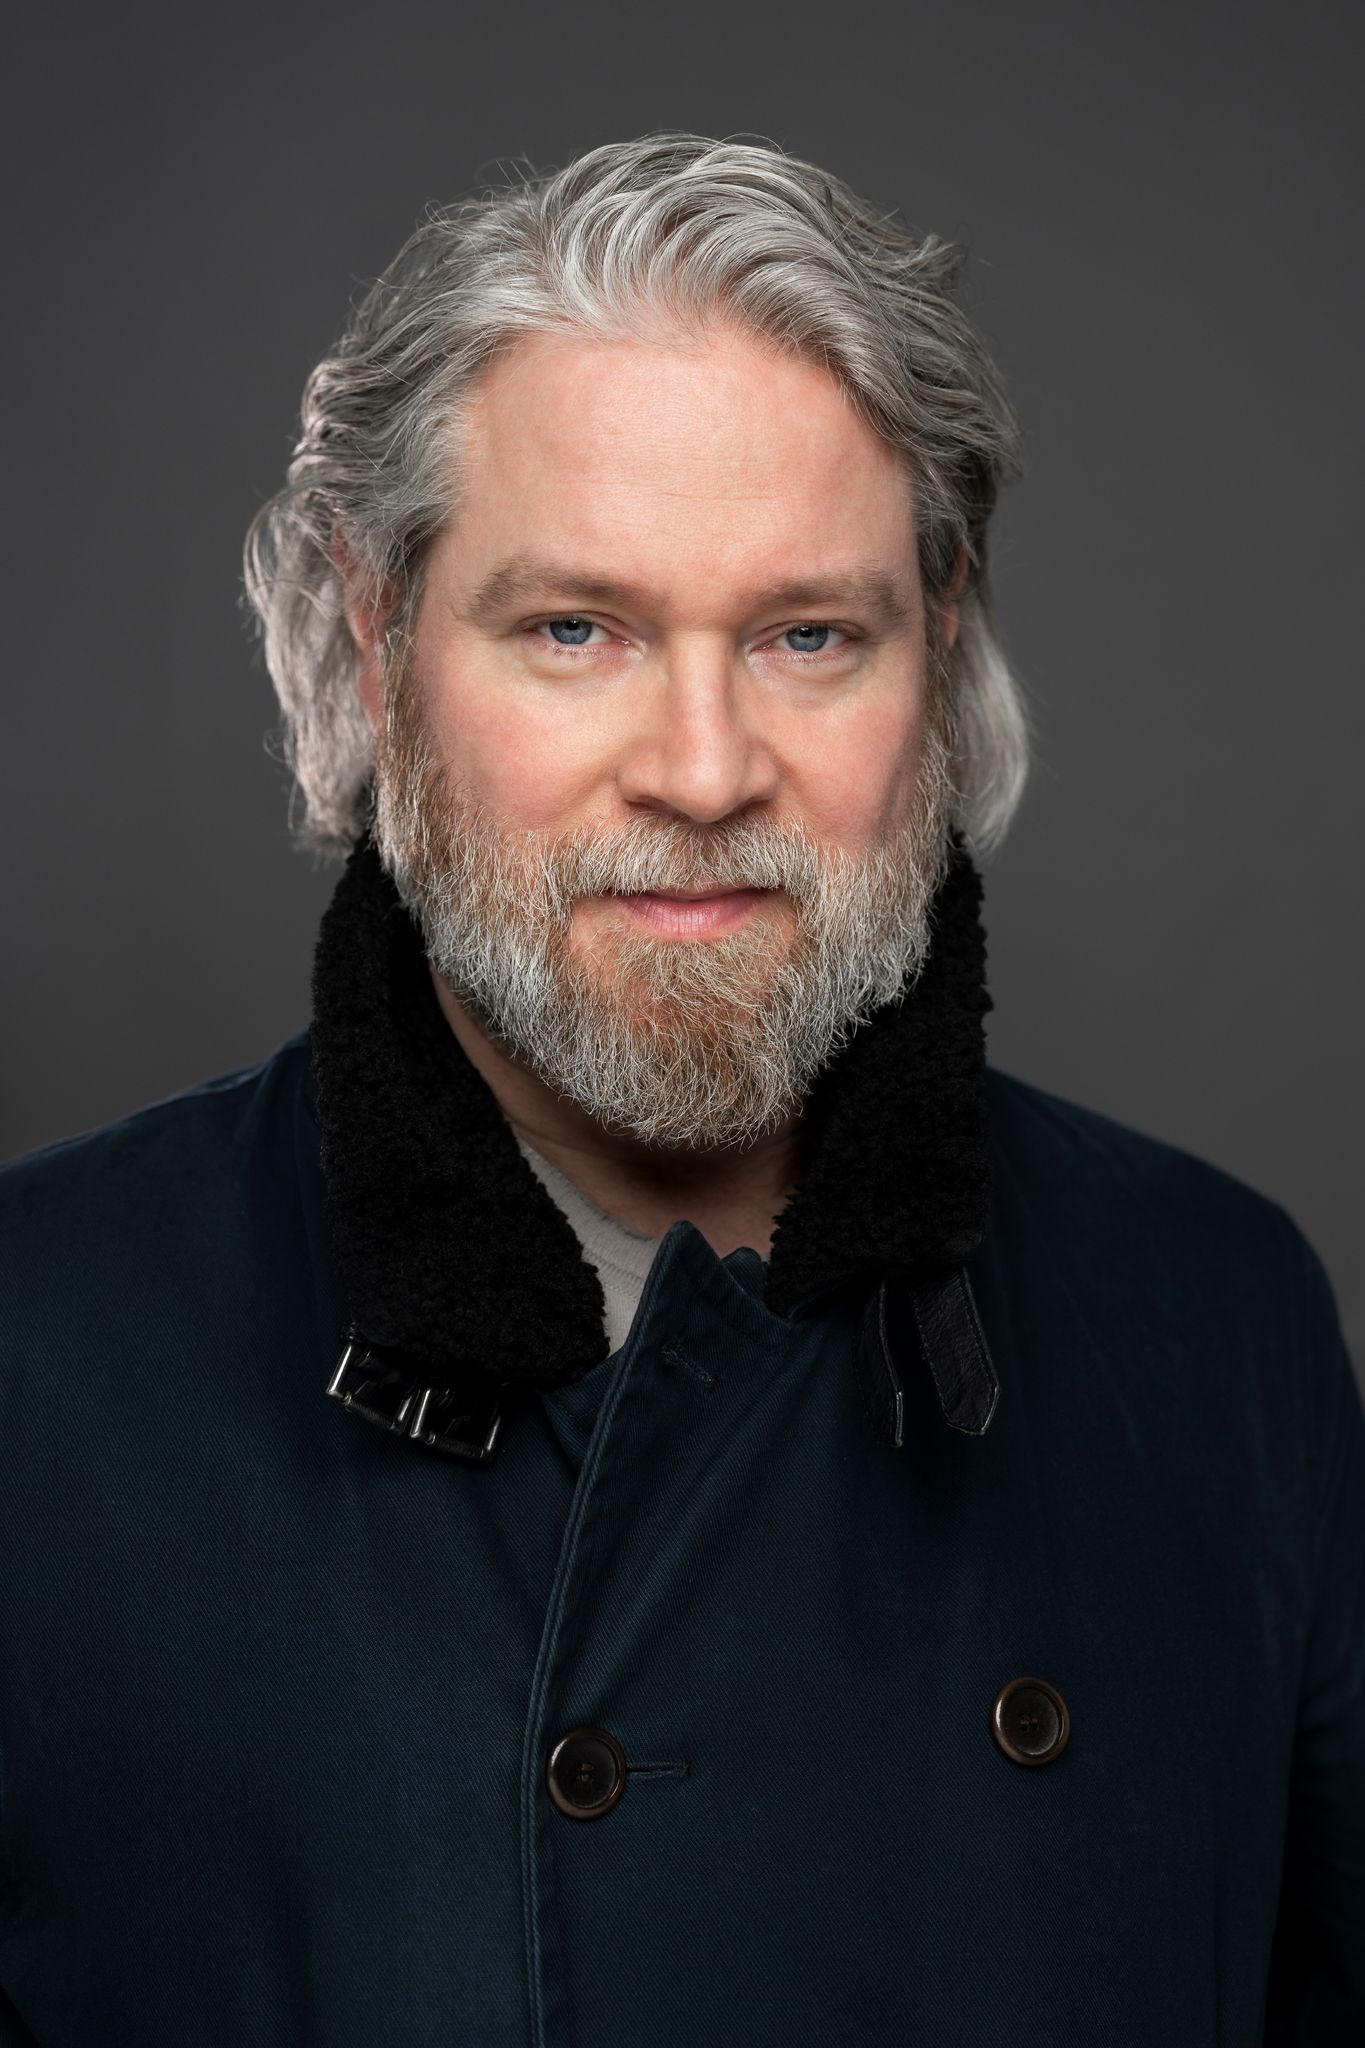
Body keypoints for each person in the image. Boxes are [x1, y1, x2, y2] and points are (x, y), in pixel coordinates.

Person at [0, 132, 1359, 2047]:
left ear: (940, 637)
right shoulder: (40, 1352)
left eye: (808, 636)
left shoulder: (1218, 1329)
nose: (704, 770)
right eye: (577, 630)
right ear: (379, 642)